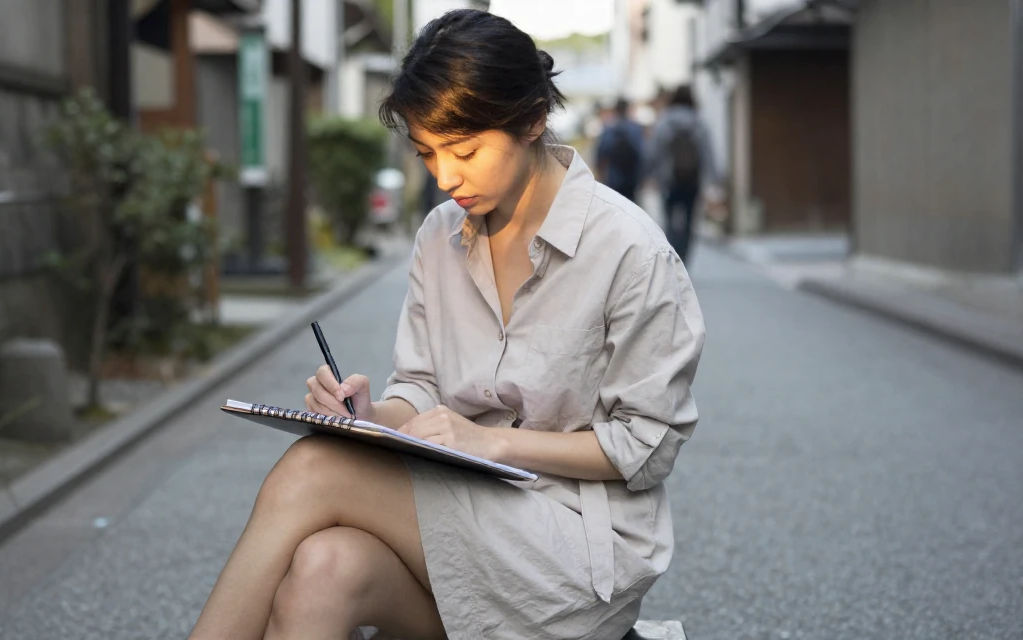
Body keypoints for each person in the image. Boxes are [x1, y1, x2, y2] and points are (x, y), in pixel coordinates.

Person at [188, 9, 705, 640]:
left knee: (313, 470)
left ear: (533, 119)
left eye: (464, 150)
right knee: (324, 570)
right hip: (462, 515)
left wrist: (493, 442)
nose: (445, 176)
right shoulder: (440, 235)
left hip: (577, 544)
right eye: (428, 152)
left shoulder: (630, 251)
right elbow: (423, 389)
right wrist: (373, 415)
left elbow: (644, 447)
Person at [643, 84, 716, 266]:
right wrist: (714, 181)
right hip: (693, 181)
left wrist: (649, 174)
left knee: (669, 221)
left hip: (669, 180)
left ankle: (672, 257)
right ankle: (684, 259)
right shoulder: (699, 121)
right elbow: (708, 153)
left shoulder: (665, 121)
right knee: (690, 223)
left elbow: (654, 151)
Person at [594, 98, 645, 202]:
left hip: (614, 175)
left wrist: (600, 171)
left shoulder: (609, 128)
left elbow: (601, 152)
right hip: (632, 175)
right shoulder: (635, 128)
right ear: (627, 109)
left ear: (616, 110)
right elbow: (642, 152)